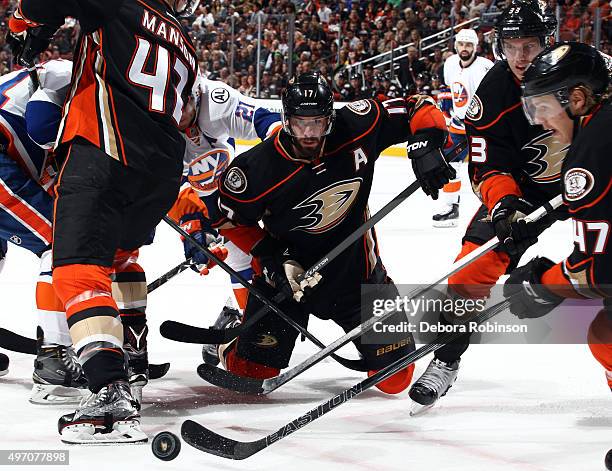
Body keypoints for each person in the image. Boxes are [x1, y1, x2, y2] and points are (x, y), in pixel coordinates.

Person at [10, 0, 200, 444]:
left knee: (75, 267)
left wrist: (24, 22)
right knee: (118, 259)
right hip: (161, 170)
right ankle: (129, 360)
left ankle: (109, 392)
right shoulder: (184, 40)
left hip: (105, 147)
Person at [210, 72, 454, 395]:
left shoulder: (357, 124)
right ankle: (229, 336)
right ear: (286, 120)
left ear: (331, 116)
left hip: (358, 276)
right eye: (300, 123)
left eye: (318, 122)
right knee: (250, 375)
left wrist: (426, 146)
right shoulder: (257, 169)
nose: (309, 133)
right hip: (289, 281)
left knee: (395, 379)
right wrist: (270, 256)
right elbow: (227, 219)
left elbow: (417, 107)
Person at [408, 0, 564, 411]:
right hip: (528, 190)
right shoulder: (494, 91)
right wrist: (505, 206)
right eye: (511, 46)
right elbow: (488, 164)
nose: (520, 57)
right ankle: (445, 360)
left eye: (529, 45)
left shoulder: (586, 71)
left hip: (596, 180)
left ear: (547, 41)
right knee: (469, 270)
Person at [506, 42, 611, 391]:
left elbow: (600, 270)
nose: (537, 119)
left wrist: (545, 285)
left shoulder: (589, 152)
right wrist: (539, 217)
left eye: (542, 106)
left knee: (605, 335)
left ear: (577, 100)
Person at [167, 73, 281, 364]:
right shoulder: (155, 122)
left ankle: (244, 316)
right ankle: (246, 322)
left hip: (248, 184)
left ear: (194, 96)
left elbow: (266, 121)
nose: (178, 119)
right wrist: (192, 225)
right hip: (208, 191)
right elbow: (165, 186)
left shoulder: (216, 101)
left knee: (273, 254)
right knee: (239, 255)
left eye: (182, 109)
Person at [0, 58, 88, 403]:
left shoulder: (64, 71)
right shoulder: (74, 73)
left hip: (8, 156)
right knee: (64, 239)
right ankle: (55, 359)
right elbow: (42, 125)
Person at [433, 28, 493, 228]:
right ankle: (451, 208)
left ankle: (494, 208)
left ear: (475, 47)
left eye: (469, 45)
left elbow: (491, 99)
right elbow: (450, 90)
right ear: (456, 45)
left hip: (481, 128)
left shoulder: (484, 67)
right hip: (459, 126)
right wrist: (448, 104)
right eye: (461, 44)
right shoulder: (450, 63)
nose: (464, 48)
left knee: (486, 169)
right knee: (449, 164)